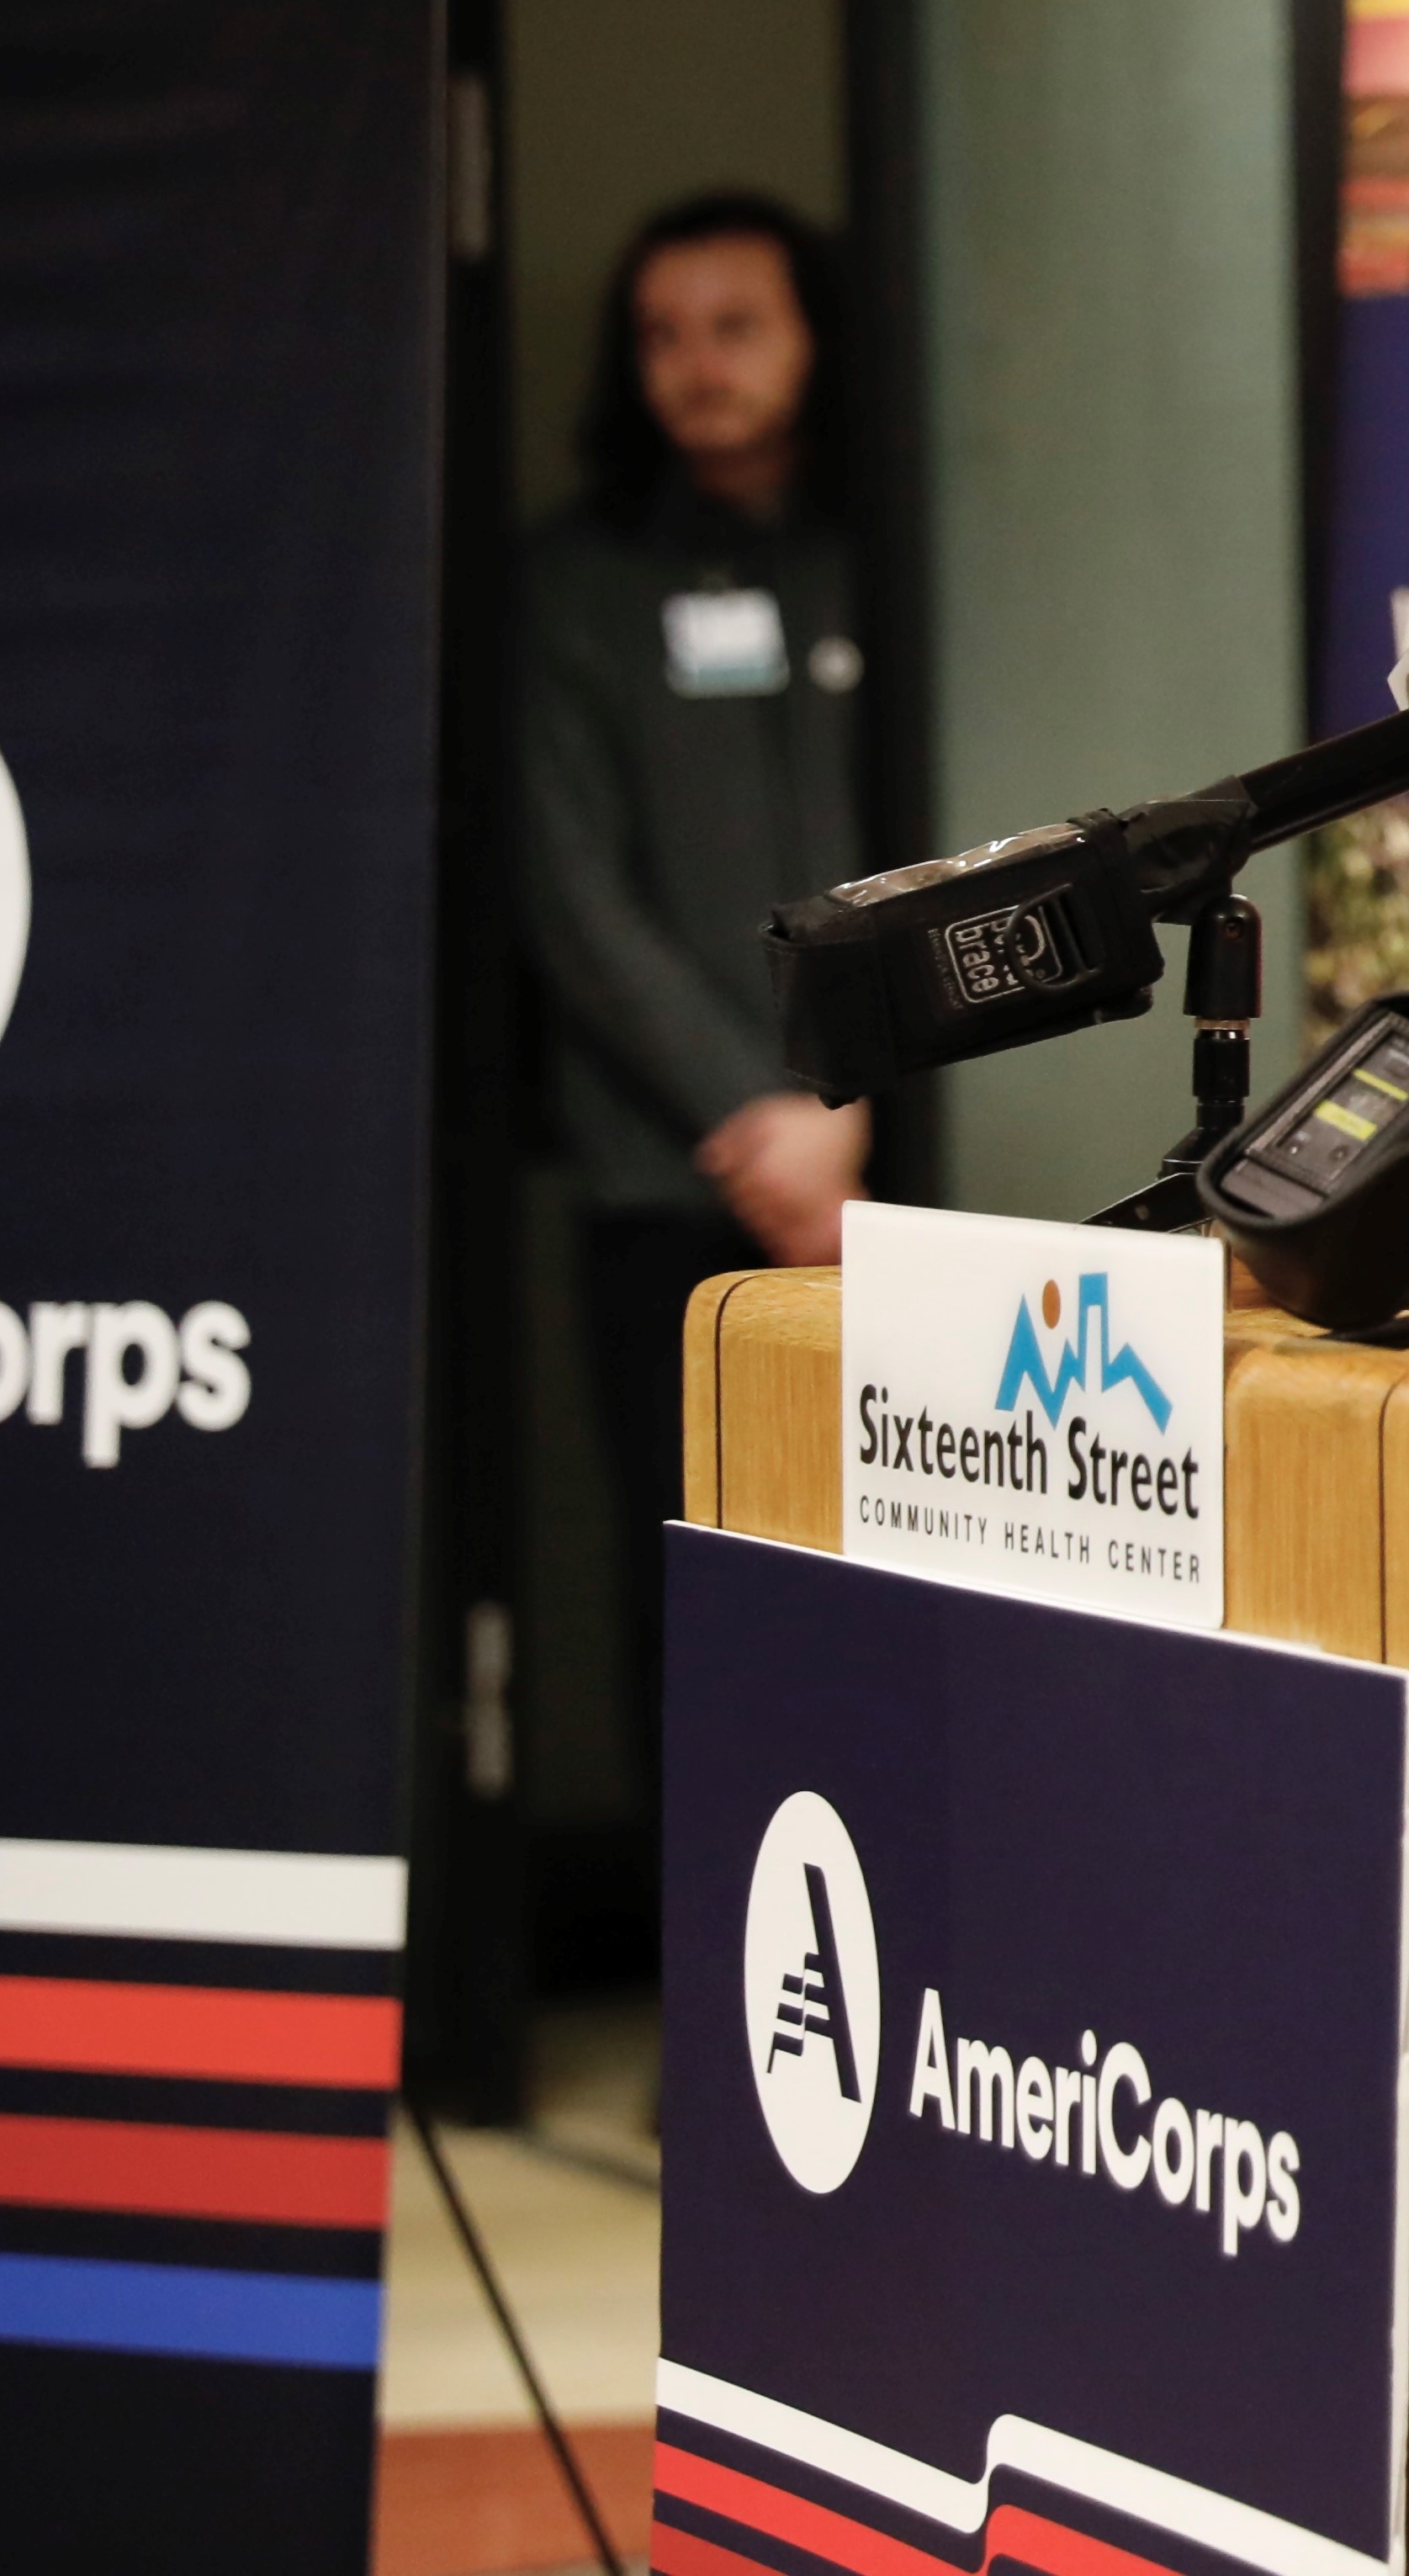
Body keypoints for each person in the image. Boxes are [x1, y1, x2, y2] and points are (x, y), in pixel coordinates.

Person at [522, 190, 864, 1768]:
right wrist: (756, 1113)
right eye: (662, 335)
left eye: (736, 326)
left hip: (889, 1174)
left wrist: (849, 1108)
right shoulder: (571, 584)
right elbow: (569, 892)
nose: (696, 367)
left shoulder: (896, 555)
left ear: (812, 336)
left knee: (893, 1574)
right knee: (699, 1575)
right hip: (673, 1180)